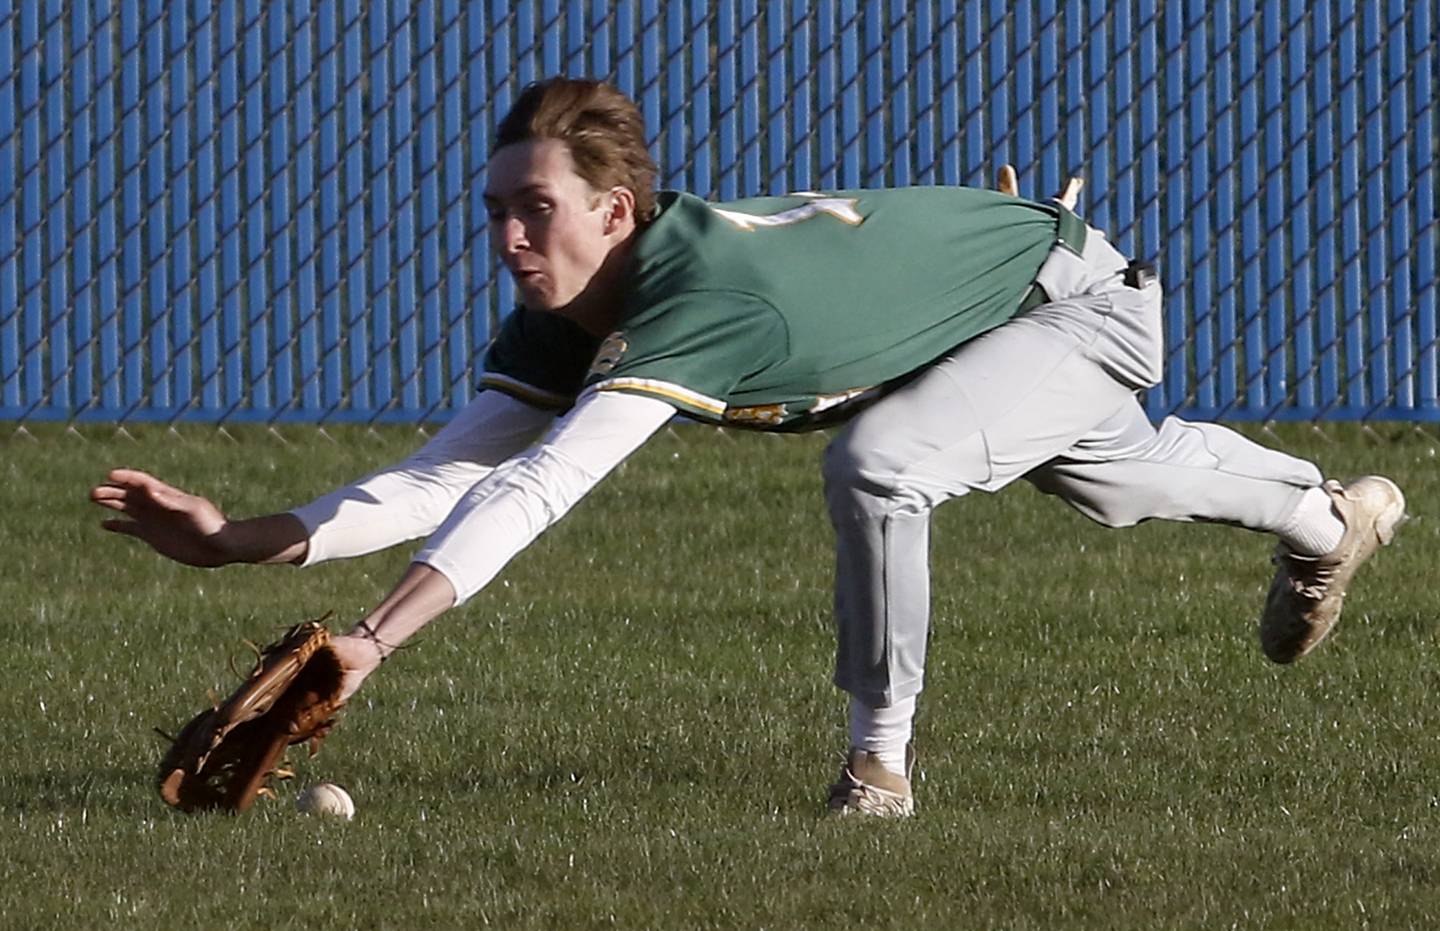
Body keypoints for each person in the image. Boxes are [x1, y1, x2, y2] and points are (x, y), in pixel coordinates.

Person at [91, 77, 1405, 818]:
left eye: (534, 210)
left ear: (617, 210)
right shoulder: (574, 304)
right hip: (974, 316)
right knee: (1114, 483)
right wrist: (244, 539)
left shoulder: (698, 298)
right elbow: (457, 470)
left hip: (1067, 296)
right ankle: (1323, 517)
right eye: (496, 211)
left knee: (887, 462)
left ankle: (877, 763)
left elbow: (548, 485)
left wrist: (371, 641)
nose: (508, 238)